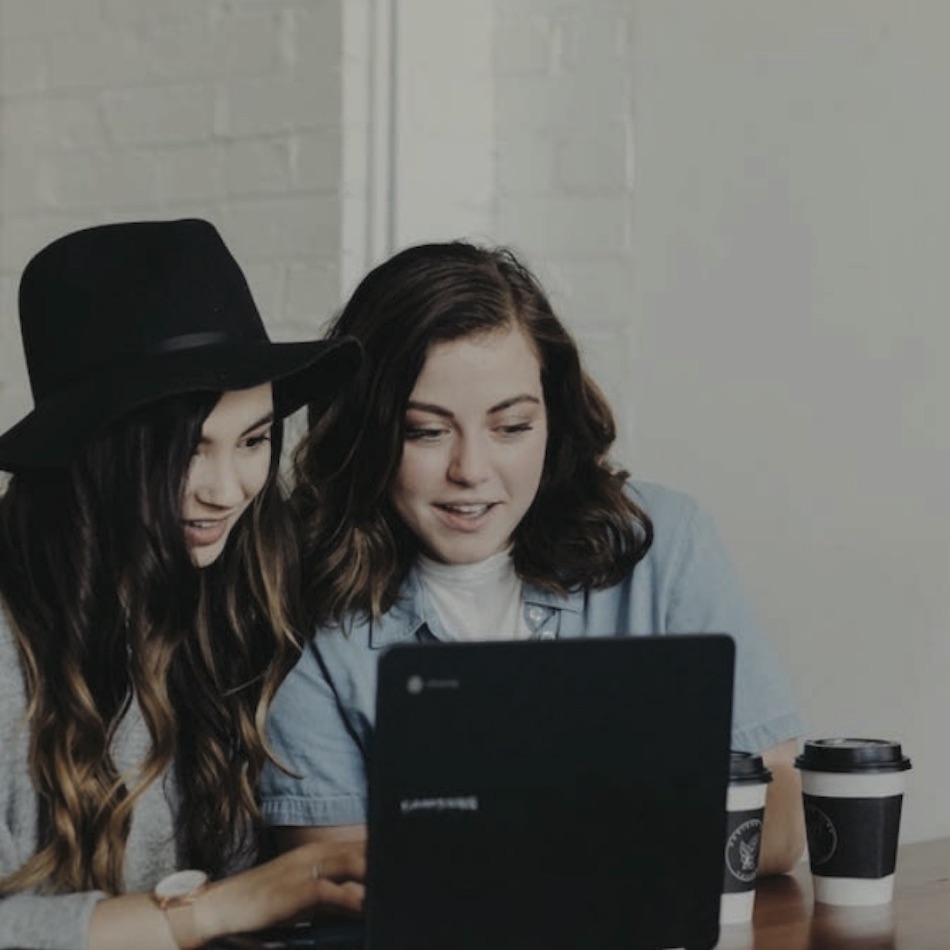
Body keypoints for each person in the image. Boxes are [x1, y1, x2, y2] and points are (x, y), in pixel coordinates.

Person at [261, 240, 806, 875]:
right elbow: (328, 872)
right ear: (366, 434)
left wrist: (489, 847)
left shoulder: (662, 542)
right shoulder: (301, 592)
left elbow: (778, 823)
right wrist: (632, 821)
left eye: (511, 427)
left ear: (554, 415)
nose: (471, 470)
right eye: (426, 432)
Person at [0, 219, 367, 950]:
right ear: (94, 453)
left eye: (254, 440)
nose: (228, 490)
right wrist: (224, 908)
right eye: (187, 450)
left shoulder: (241, 596)